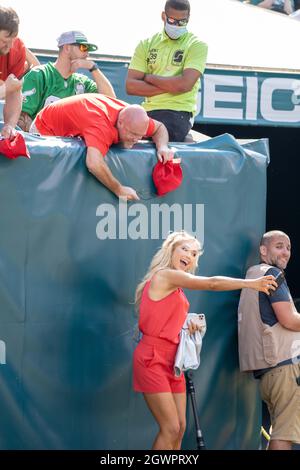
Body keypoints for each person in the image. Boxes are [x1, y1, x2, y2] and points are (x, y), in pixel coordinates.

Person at [134, 230, 277, 450]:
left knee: (180, 427)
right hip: (152, 358)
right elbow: (211, 283)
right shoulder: (165, 275)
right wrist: (252, 284)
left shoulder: (177, 287)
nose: (189, 256)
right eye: (184, 249)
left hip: (174, 362)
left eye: (193, 253)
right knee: (170, 428)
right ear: (171, 250)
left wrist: (188, 324)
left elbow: (165, 318)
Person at [31, 93, 174, 200]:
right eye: (133, 134)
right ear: (121, 123)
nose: (137, 139)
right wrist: (119, 189)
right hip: (44, 131)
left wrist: (162, 146)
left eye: (141, 136)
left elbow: (159, 127)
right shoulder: (101, 125)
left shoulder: (135, 120)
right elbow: (93, 163)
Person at [238, 230, 300, 450]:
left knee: (279, 433)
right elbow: (289, 320)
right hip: (285, 368)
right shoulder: (271, 273)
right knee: (283, 435)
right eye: (279, 246)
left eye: (288, 248)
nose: (285, 252)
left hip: (269, 372)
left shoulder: (252, 274)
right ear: (263, 251)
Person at [126, 0, 208, 142]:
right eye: (172, 20)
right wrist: (172, 86)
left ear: (188, 18)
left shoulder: (197, 45)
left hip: (177, 112)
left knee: (154, 144)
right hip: (146, 110)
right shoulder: (146, 43)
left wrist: (148, 77)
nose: (177, 25)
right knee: (119, 136)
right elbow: (131, 86)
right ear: (163, 16)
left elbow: (184, 85)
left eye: (182, 22)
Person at [18, 31, 116, 132]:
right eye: (83, 47)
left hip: (70, 146)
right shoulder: (40, 74)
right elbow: (21, 118)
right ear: (67, 48)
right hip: (42, 144)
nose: (87, 54)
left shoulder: (82, 82)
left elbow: (110, 100)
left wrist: (93, 68)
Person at [0, 6, 39, 139]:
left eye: (12, 39)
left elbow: (15, 90)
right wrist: (5, 89)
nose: (9, 46)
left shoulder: (16, 48)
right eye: (4, 41)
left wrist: (10, 125)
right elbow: (8, 89)